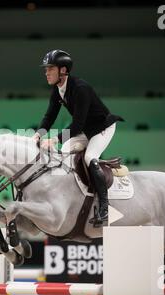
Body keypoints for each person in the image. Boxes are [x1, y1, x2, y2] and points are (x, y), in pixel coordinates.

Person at [33, 49, 124, 227]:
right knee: (63, 157)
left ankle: (105, 208)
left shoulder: (80, 88)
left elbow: (77, 125)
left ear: (63, 70)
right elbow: (49, 116)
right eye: (46, 69)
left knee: (90, 157)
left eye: (50, 68)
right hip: (84, 131)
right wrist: (38, 134)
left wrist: (55, 139)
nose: (46, 72)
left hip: (102, 127)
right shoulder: (58, 90)